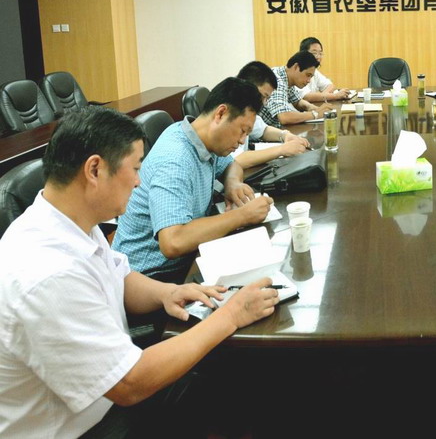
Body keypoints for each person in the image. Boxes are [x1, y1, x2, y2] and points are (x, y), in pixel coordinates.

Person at [0, 106, 280, 438]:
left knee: (235, 376)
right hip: (83, 427)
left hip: (103, 397)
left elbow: (119, 277)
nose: (139, 181)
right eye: (135, 168)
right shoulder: (48, 274)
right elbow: (130, 384)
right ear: (94, 170)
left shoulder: (68, 218)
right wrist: (231, 314)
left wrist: (168, 293)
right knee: (234, 390)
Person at [113, 77, 273, 283]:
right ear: (220, 114)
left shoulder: (202, 137)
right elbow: (173, 242)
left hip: (188, 257)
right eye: (243, 131)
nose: (242, 140)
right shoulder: (175, 160)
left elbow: (231, 165)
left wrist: (232, 183)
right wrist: (243, 215)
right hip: (152, 277)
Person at [234, 60, 310, 170]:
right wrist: (281, 150)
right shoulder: (230, 112)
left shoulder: (246, 109)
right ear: (247, 86)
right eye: (263, 96)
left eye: (267, 98)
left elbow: (263, 130)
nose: (264, 103)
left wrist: (285, 135)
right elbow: (236, 160)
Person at [260, 50, 335, 127]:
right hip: (262, 133)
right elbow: (284, 117)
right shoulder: (277, 80)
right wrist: (315, 114)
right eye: (308, 75)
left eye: (311, 77)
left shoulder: (286, 76)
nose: (309, 81)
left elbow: (297, 101)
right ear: (296, 67)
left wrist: (313, 108)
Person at [296, 37, 350, 102]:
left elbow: (330, 86)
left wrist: (323, 96)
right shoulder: (297, 70)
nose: (318, 57)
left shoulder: (314, 71)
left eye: (320, 53)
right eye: (314, 53)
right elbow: (306, 97)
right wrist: (335, 96)